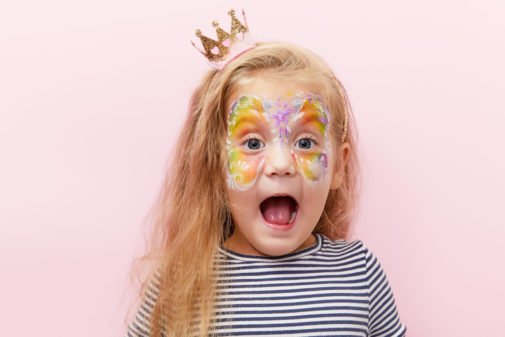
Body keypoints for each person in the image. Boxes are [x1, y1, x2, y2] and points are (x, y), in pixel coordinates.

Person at [126, 10, 406, 337]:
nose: (281, 163)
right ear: (215, 166)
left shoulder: (359, 273)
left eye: (304, 142)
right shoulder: (180, 280)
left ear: (338, 167)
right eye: (254, 142)